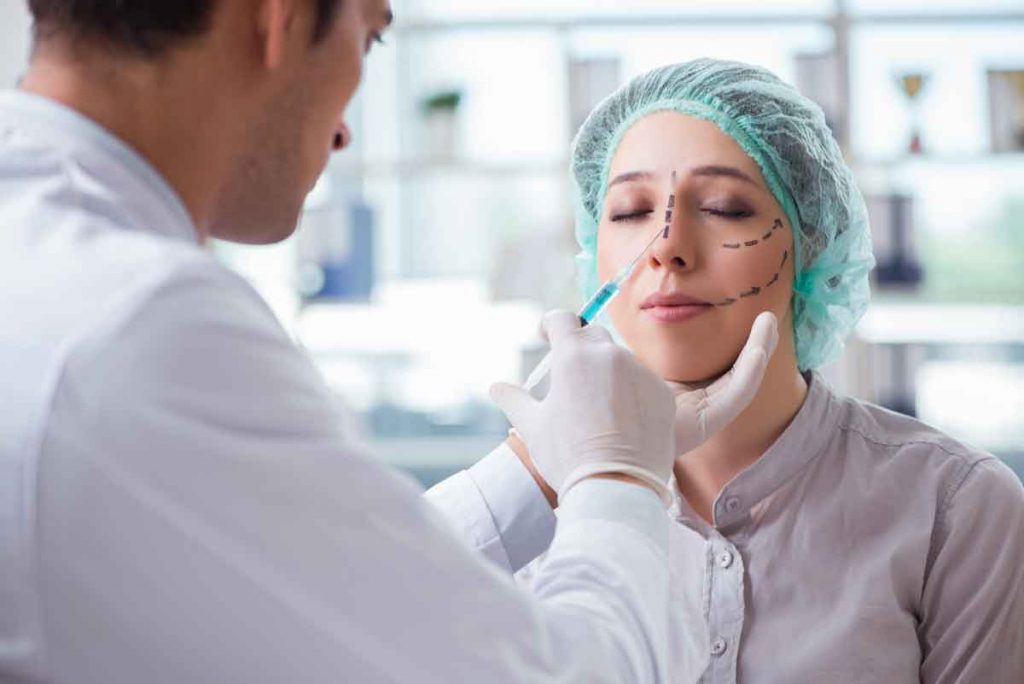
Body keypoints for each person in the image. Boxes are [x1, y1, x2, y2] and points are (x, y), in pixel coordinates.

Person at [0, 2, 777, 682]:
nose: (344, 129)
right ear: (277, 16)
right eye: (369, 39)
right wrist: (619, 480)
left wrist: (538, 470)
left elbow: (308, 584)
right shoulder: (144, 327)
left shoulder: (45, 261)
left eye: (727, 207)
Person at [427, 58, 1024, 683]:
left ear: (814, 244)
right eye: (630, 211)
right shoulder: (530, 518)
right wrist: (548, 471)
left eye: (724, 206)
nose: (665, 246)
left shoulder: (954, 506)